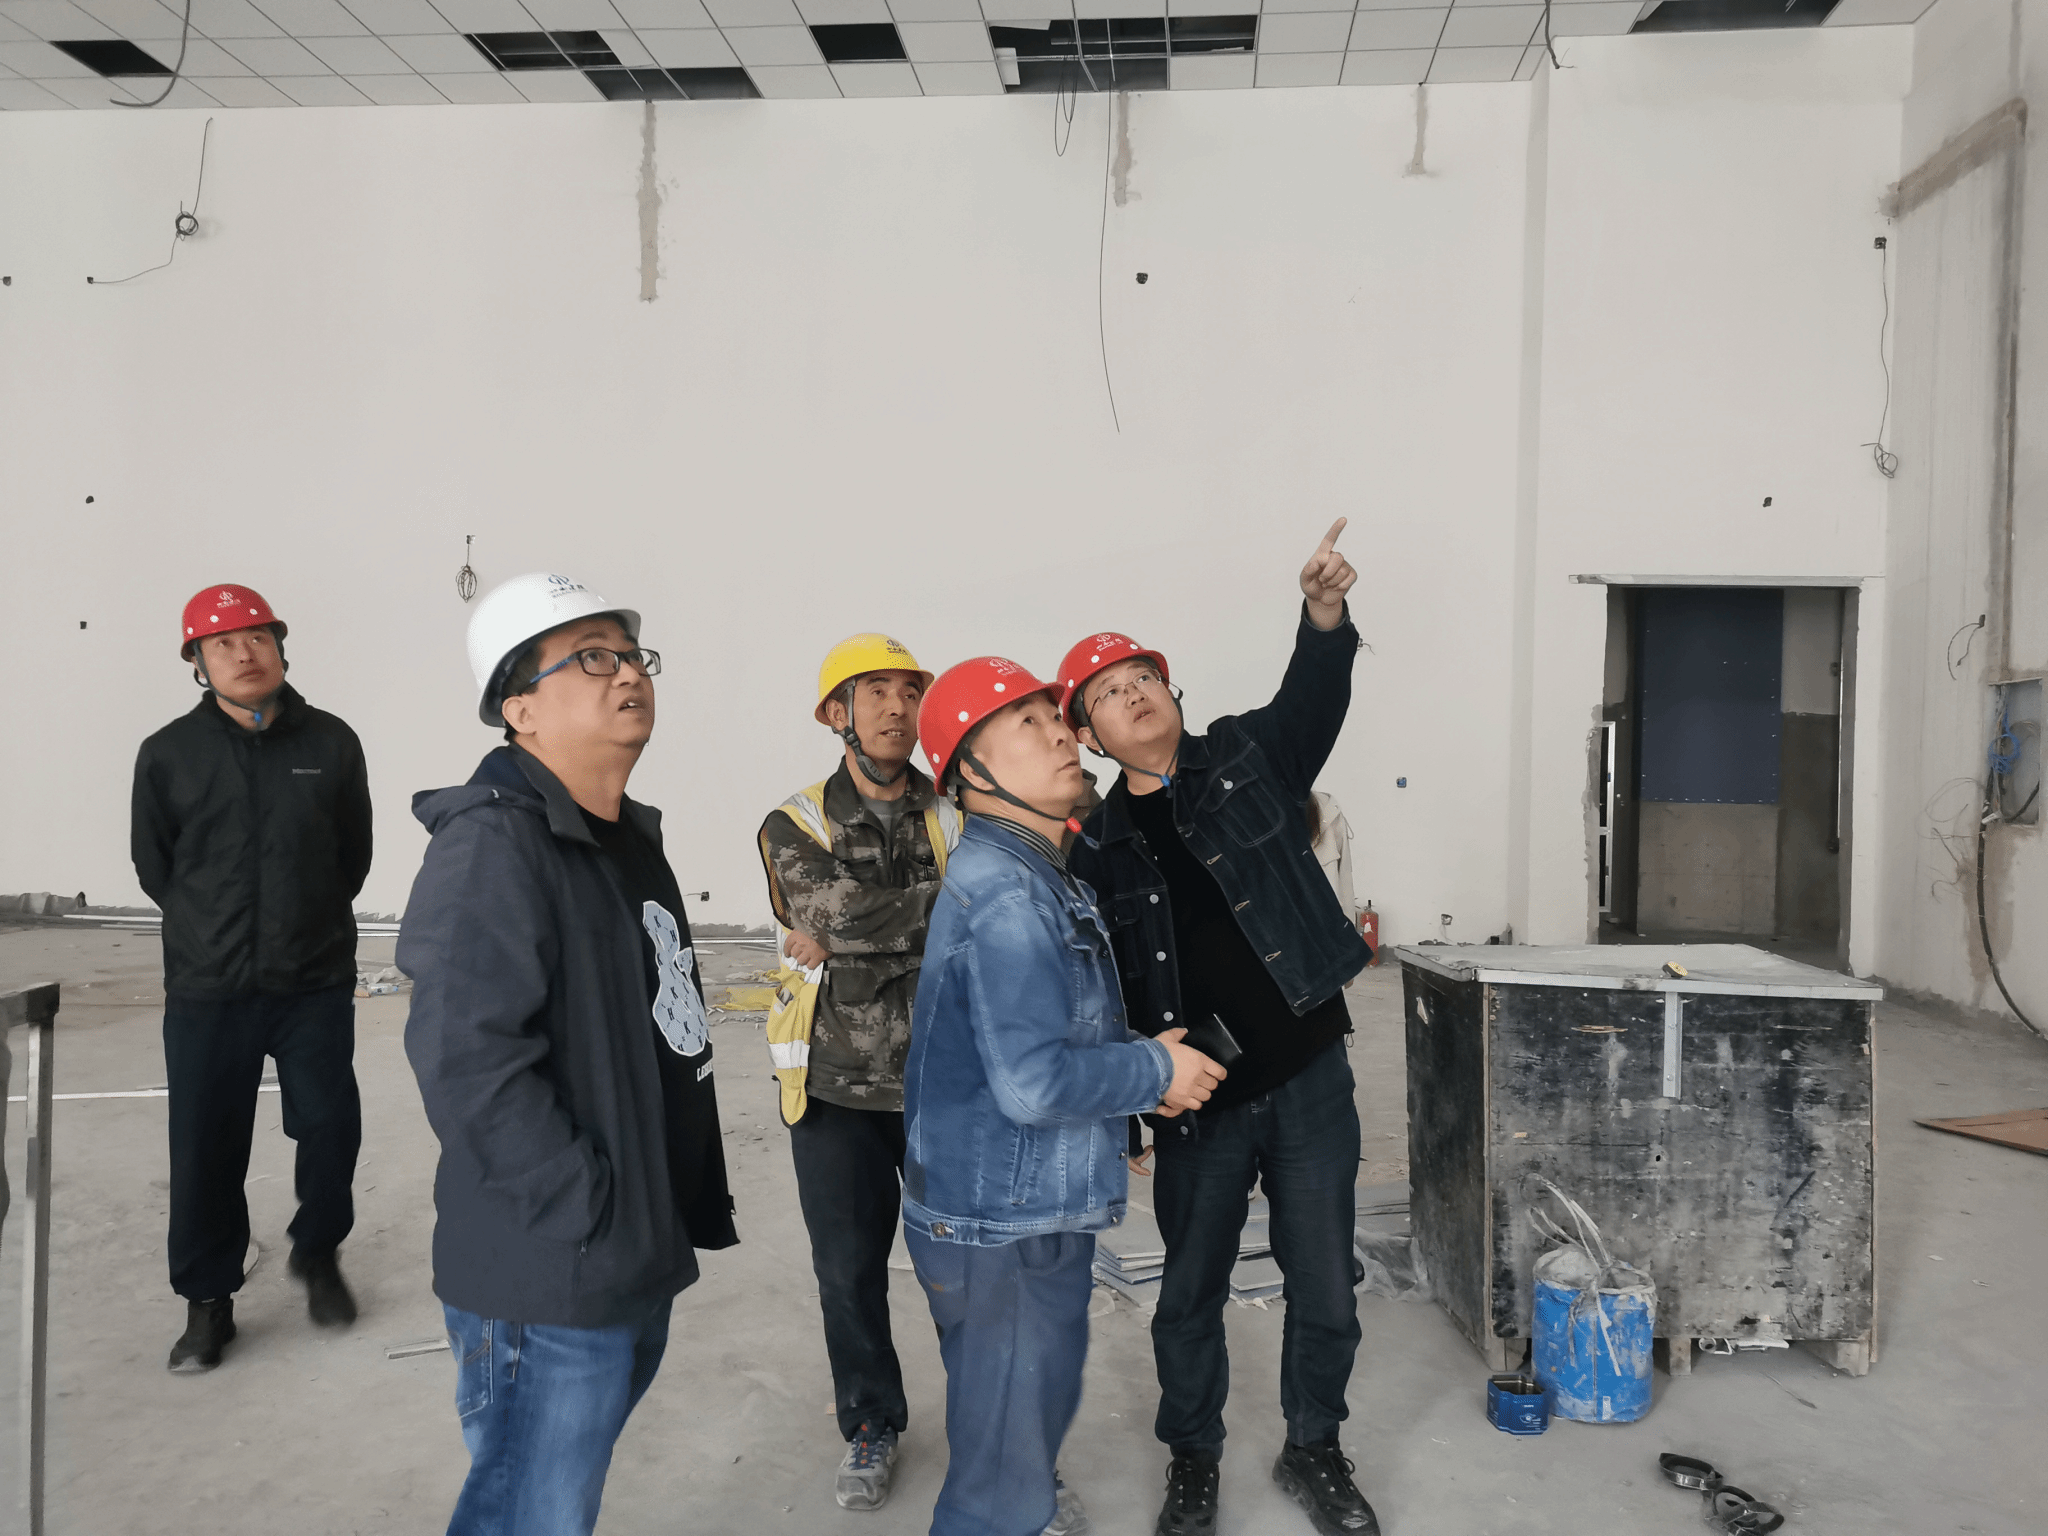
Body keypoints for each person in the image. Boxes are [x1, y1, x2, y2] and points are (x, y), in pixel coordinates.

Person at [399, 573, 736, 1536]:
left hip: (630, 1245)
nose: (627, 674)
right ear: (520, 708)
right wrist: (581, 1204)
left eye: (631, 656)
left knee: (547, 1502)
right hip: (552, 1269)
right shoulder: (493, 845)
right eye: (590, 658)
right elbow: (465, 1058)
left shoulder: (625, 840)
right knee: (531, 1513)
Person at [1060, 521, 1379, 1536]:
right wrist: (1127, 1108)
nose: (1133, 695)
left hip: (1309, 1076)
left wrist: (1322, 612)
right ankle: (1192, 1457)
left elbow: (1314, 696)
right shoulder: (1094, 846)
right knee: (1188, 1296)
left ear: (1171, 692)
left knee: (1325, 1286)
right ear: (1089, 736)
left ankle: (1314, 1446)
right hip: (1197, 1106)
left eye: (1143, 677)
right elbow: (1096, 992)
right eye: (1108, 693)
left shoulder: (1247, 754)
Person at [903, 657, 1226, 1536]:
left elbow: (1046, 1045)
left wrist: (1131, 1082)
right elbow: (1033, 1082)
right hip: (1003, 1228)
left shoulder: (1038, 875)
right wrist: (1154, 1073)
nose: (1060, 735)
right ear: (970, 773)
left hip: (1015, 1209)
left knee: (1013, 1440)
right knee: (999, 1483)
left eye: (1055, 718)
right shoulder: (1008, 896)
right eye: (1027, 725)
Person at [131, 584, 372, 1374]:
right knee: (206, 1146)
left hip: (313, 982)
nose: (244, 652)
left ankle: (318, 1253)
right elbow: (155, 867)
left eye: (257, 636)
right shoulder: (168, 753)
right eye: (223, 643)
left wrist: (305, 923)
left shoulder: (332, 742)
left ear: (280, 647)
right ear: (198, 663)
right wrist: (212, 929)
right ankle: (208, 1301)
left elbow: (353, 857)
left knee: (331, 1127)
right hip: (209, 989)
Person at [755, 634, 957, 1512]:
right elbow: (834, 911)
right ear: (835, 713)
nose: (895, 707)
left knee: (971, 1274)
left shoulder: (957, 809)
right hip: (837, 1086)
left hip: (950, 1083)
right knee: (848, 1273)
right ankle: (871, 1422)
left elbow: (1000, 903)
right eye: (874, 691)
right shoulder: (794, 823)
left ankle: (995, 1424)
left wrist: (851, 931)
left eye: (908, 692)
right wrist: (933, 911)